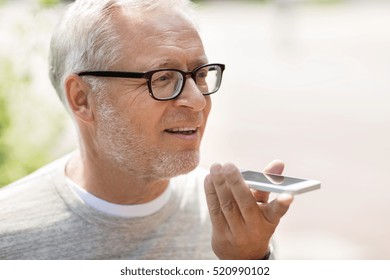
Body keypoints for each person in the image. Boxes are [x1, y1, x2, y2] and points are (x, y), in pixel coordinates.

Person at [0, 0, 293, 259]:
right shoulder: (10, 234)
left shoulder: (231, 220)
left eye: (200, 75)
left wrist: (250, 262)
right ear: (83, 99)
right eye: (163, 77)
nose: (197, 101)